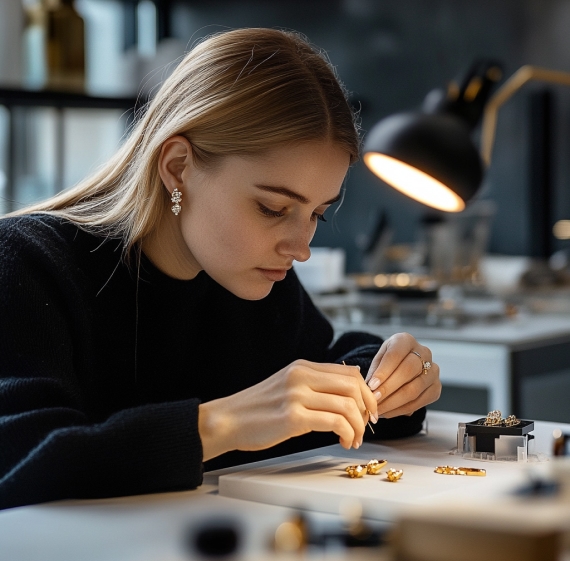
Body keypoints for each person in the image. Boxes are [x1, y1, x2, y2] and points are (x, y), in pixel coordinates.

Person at [0, 28, 441, 510]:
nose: (301, 247)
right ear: (178, 167)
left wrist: (391, 379)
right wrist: (225, 423)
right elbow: (25, 460)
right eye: (273, 208)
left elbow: (325, 376)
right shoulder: (29, 263)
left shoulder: (251, 278)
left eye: (316, 214)